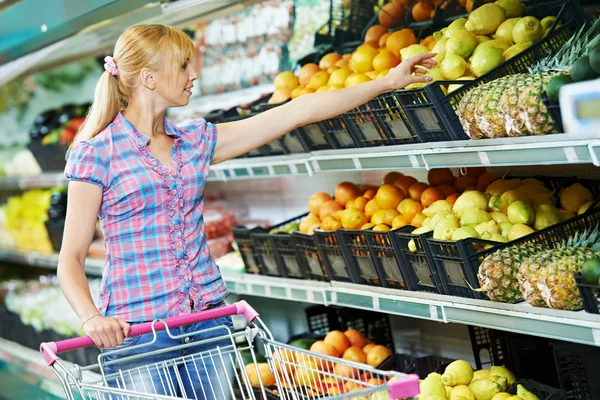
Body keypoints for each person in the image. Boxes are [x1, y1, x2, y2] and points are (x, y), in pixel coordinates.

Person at [57, 23, 436, 398]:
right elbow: (71, 259)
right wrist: (92, 317)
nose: (196, 74)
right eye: (185, 65)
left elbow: (296, 112)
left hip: (207, 324)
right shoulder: (97, 154)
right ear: (149, 77)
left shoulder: (194, 141)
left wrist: (387, 82)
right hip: (139, 336)